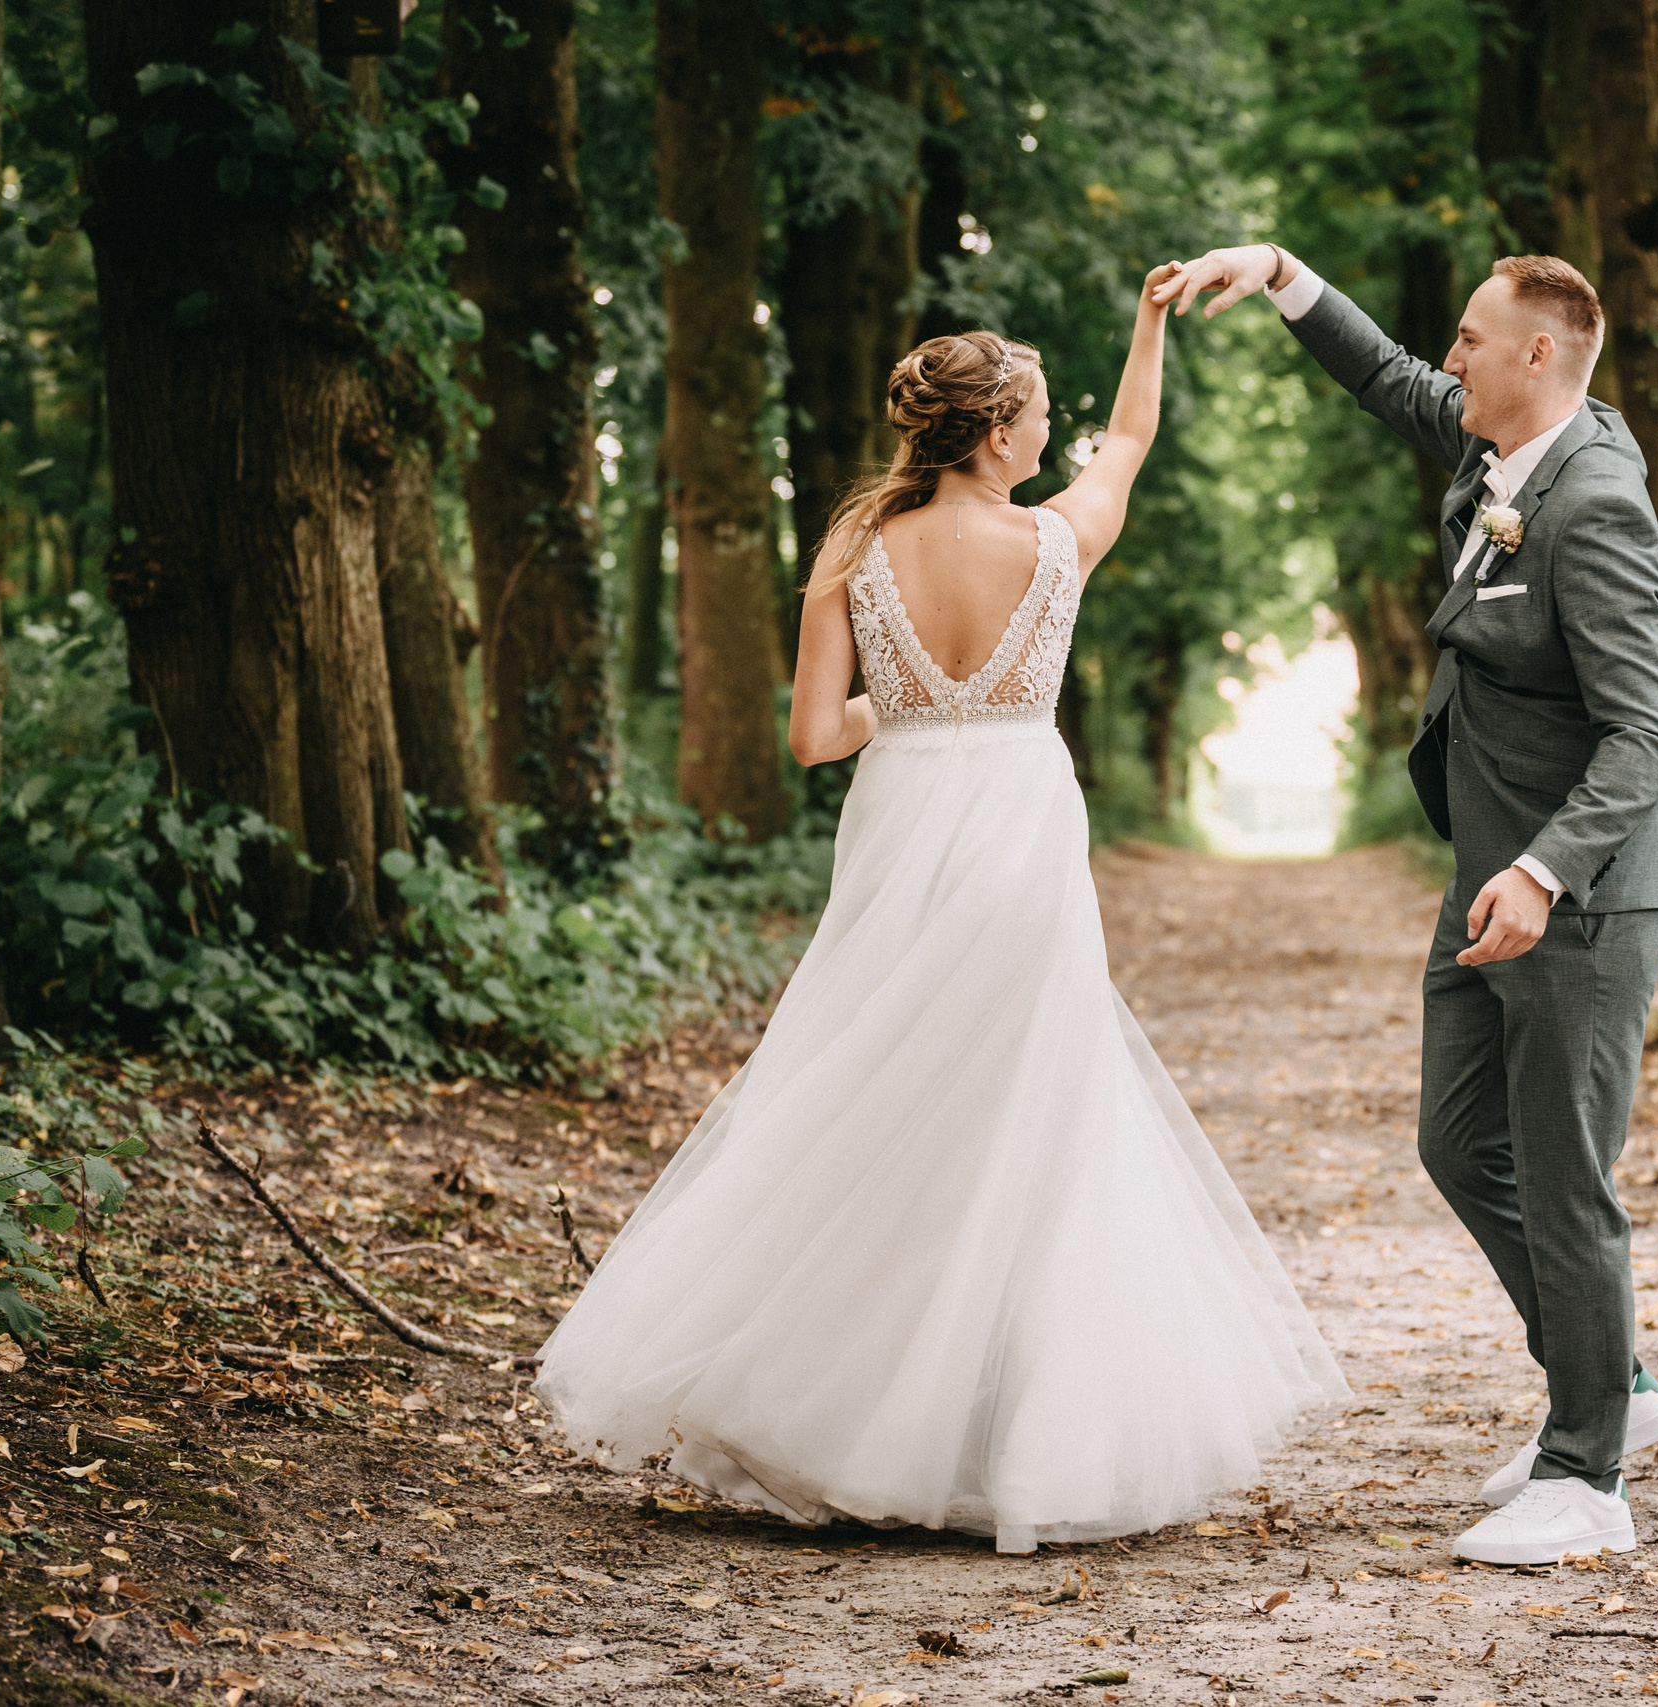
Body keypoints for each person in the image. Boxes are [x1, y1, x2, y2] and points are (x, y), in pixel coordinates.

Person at [531, 263, 1347, 1556]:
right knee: (1029, 1110)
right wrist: (1148, 323)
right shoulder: (1057, 542)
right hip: (1022, 821)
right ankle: (1008, 1440)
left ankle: (836, 1415)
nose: (1052, 434)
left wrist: (908, 708)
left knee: (877, 1090)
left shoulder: (855, 549)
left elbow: (813, 738)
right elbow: (1131, 440)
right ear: (994, 435)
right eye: (1038, 418)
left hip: (904, 822)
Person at [1153, 244, 1658, 1566]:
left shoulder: (1595, 505)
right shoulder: (1499, 444)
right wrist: (1280, 276)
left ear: (1538, 356)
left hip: (1577, 896)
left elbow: (1645, 733)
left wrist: (1541, 871)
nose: (1448, 357)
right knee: (1461, 1145)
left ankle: (1588, 1480)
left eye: (1470, 339)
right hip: (1489, 877)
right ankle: (1614, 1386)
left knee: (1567, 1177)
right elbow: (1389, 378)